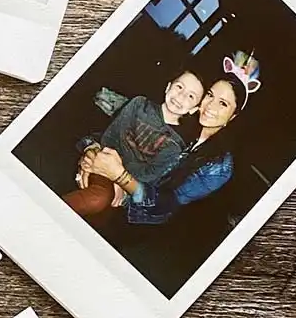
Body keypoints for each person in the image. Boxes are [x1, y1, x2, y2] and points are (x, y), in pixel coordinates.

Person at [82, 53, 259, 226]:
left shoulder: (219, 167)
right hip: (106, 180)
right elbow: (117, 132)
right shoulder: (177, 113)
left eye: (223, 103)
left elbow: (165, 205)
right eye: (210, 95)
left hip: (133, 218)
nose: (211, 106)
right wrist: (91, 151)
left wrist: (120, 178)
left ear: (233, 116)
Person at [62, 69, 204, 220]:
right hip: (104, 157)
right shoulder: (139, 104)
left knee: (99, 207)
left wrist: (118, 178)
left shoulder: (174, 145)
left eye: (191, 96)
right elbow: (111, 136)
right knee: (96, 198)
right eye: (179, 87)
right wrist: (99, 159)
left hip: (123, 183)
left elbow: (148, 176)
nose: (181, 96)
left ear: (194, 109)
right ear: (168, 87)